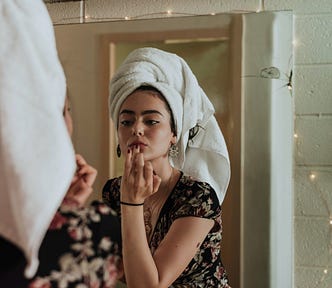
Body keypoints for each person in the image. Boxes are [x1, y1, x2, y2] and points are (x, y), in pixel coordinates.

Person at [102, 47, 231, 287]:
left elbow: (148, 285)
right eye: (126, 121)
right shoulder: (112, 191)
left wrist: (131, 203)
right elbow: (115, 268)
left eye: (151, 121)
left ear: (174, 133)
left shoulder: (197, 197)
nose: (137, 129)